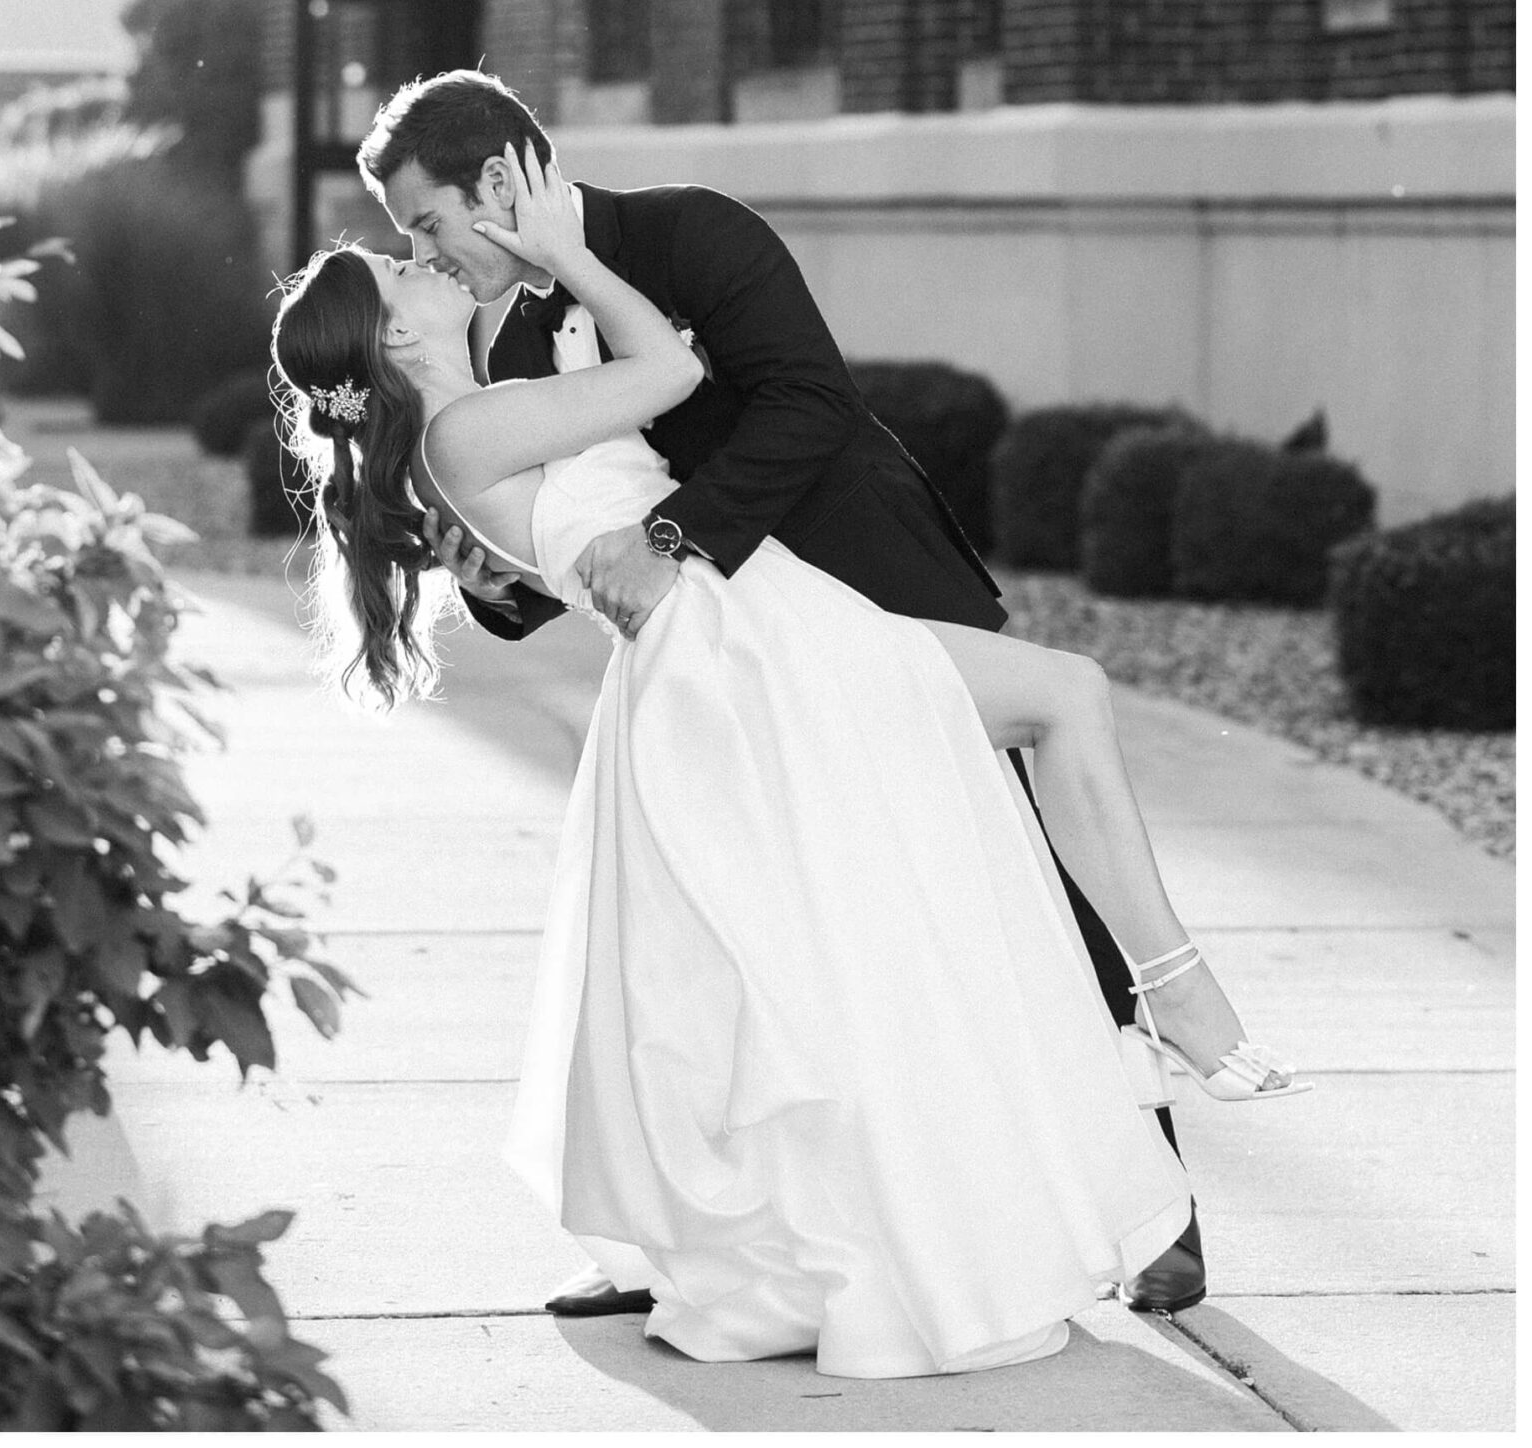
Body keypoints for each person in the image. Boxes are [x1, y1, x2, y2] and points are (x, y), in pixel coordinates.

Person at [272, 147, 1307, 1380]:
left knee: (864, 945)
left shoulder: (475, 408)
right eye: (404, 261)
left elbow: (625, 471)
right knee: (1047, 721)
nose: (424, 258)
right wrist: (572, 255)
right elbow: (671, 373)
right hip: (748, 642)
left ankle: (1080, 1101)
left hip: (749, 624)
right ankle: (1171, 1001)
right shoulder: (474, 419)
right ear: (392, 338)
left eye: (420, 230)